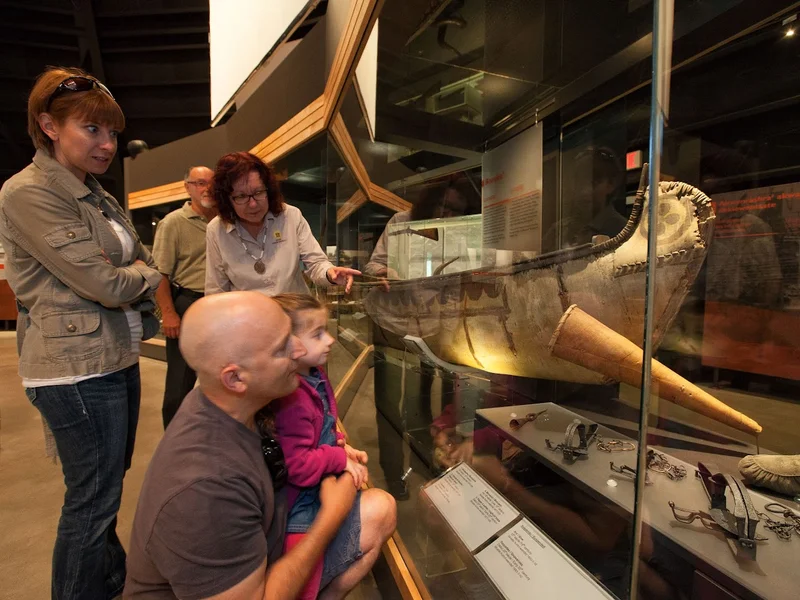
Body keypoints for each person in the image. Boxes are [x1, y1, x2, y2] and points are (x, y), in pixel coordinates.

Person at [0, 66, 163, 599]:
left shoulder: (96, 194)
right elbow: (109, 282)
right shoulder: (27, 192)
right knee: (90, 502)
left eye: (112, 132)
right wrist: (142, 278)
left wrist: (134, 275)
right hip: (75, 371)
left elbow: (137, 260)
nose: (108, 143)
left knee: (105, 491)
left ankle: (109, 584)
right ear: (49, 126)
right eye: (92, 129)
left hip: (115, 355)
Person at [124, 291, 397, 600]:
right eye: (282, 347)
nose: (298, 349)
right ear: (236, 379)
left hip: (268, 538)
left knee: (380, 510)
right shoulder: (207, 488)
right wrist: (331, 516)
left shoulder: (228, 402)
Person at [270, 293, 377, 600]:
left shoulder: (314, 375)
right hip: (301, 508)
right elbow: (299, 466)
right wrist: (336, 459)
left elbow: (326, 423)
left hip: (321, 487)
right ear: (289, 344)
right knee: (304, 578)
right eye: (317, 334)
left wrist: (341, 447)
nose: (330, 340)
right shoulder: (292, 398)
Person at [205, 151, 360, 296]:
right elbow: (216, 289)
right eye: (241, 196)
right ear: (226, 199)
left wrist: (330, 273)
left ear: (269, 190)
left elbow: (316, 263)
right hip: (251, 320)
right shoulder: (216, 230)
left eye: (258, 192)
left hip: (295, 315)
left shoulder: (290, 216)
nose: (253, 204)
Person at [151, 165, 217, 428]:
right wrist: (168, 313)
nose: (207, 189)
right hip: (188, 303)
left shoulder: (225, 220)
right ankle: (175, 441)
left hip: (220, 307)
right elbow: (160, 274)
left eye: (212, 183)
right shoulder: (173, 224)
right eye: (200, 183)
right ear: (187, 187)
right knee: (180, 380)